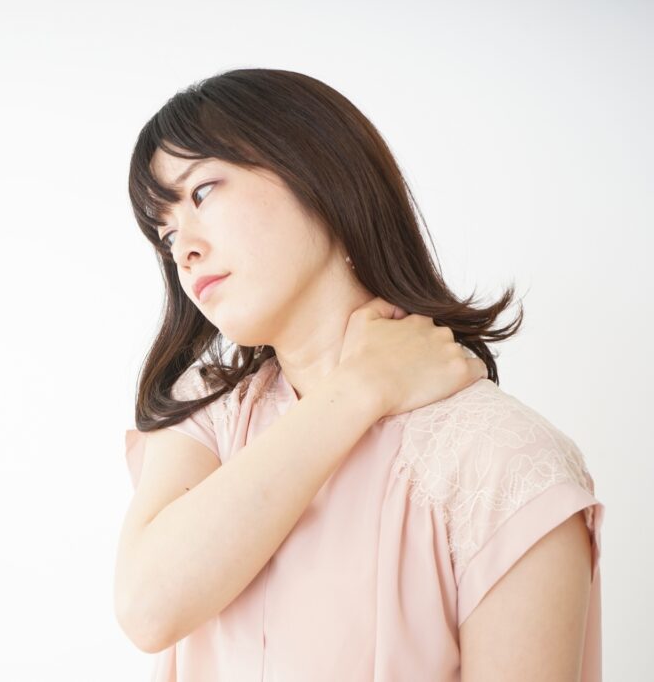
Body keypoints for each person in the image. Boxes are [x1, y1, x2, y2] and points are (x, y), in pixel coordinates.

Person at [113, 69, 603, 681]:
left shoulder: (507, 461)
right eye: (165, 233)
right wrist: (358, 390)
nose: (182, 248)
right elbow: (148, 609)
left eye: (203, 192)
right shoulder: (207, 414)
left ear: (316, 171)